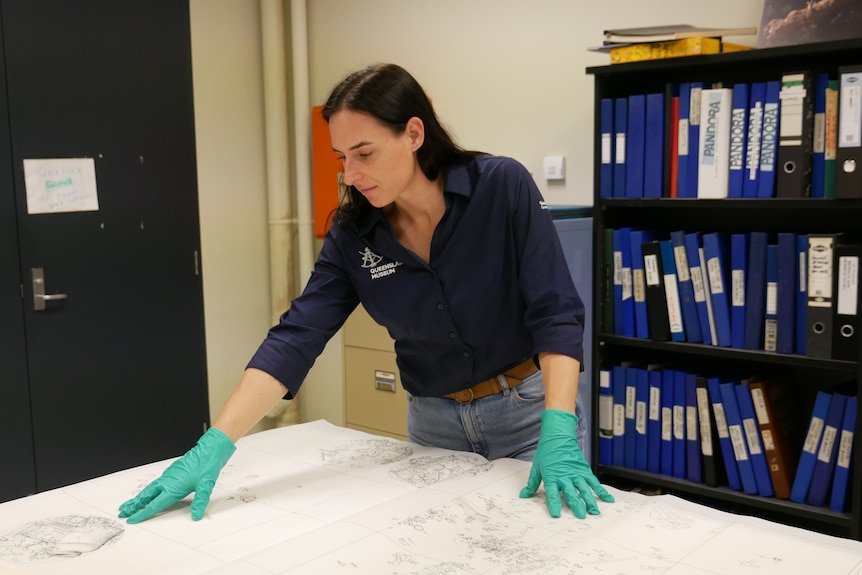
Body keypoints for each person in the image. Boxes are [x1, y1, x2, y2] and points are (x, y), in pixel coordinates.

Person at [118, 63, 614, 524]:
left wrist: (557, 422)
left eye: (365, 153)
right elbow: (298, 335)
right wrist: (215, 444)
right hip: (435, 425)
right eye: (342, 157)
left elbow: (557, 311)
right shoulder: (353, 233)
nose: (350, 174)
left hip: (529, 417)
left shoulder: (502, 186)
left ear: (414, 134)